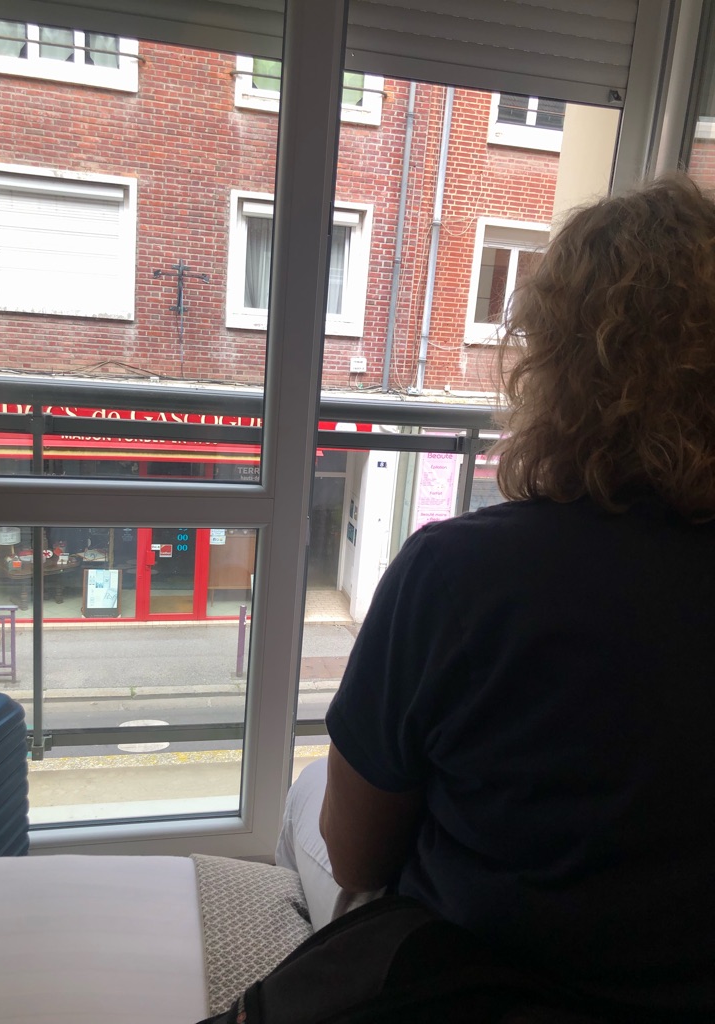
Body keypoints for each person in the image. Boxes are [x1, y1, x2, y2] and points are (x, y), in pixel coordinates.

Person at [277, 175, 715, 1018]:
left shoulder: (456, 575)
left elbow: (357, 856)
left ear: (559, 367)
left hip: (474, 982)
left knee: (307, 798)